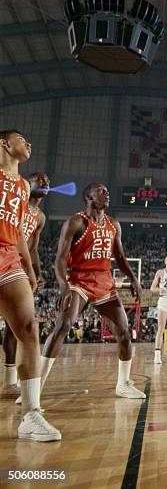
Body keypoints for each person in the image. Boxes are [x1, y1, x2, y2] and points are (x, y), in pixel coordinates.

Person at [39, 182, 145, 399]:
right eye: (102, 191)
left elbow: (120, 258)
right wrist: (63, 285)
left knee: (124, 333)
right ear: (89, 197)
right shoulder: (76, 222)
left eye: (107, 190)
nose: (107, 194)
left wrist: (133, 278)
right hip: (80, 280)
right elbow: (59, 259)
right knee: (63, 325)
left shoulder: (114, 224)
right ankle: (35, 387)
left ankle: (123, 384)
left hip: (104, 281)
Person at [0, 130, 60, 440]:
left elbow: (20, 232)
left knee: (28, 329)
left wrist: (30, 267)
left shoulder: (23, 186)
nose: (29, 144)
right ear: (4, 144)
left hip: (9, 257)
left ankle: (31, 416)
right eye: (22, 139)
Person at [2, 172, 50, 395]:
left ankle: (10, 381)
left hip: (18, 267)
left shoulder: (40, 217)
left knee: (21, 327)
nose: (45, 183)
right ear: (27, 185)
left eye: (47, 180)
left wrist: (36, 274)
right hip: (6, 255)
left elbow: (32, 249)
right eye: (40, 179)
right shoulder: (16, 200)